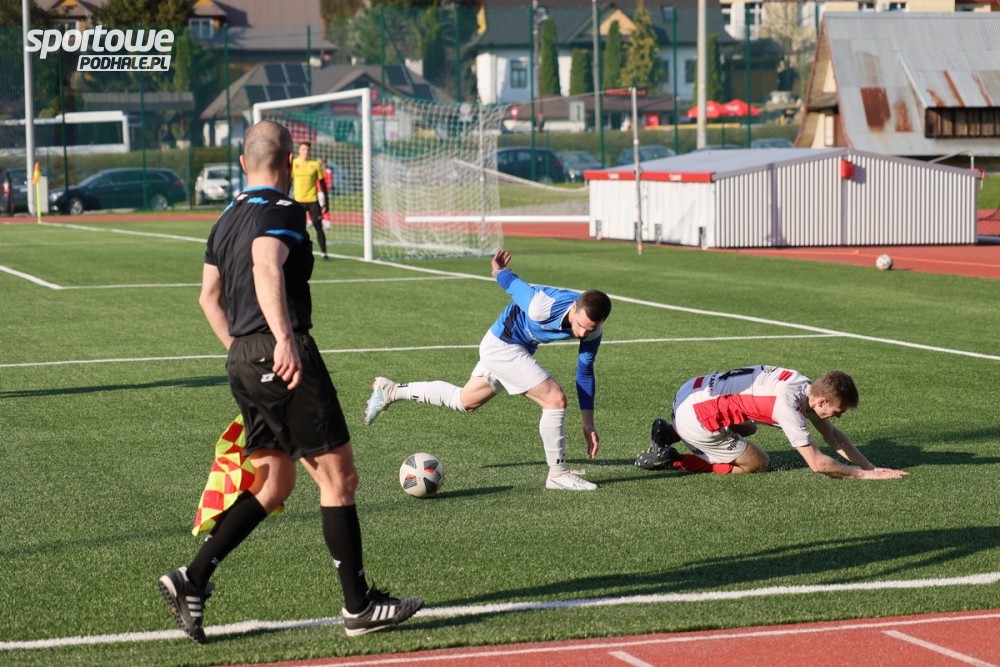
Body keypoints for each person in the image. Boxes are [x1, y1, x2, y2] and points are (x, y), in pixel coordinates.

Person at [158, 120, 422, 644]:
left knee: (274, 483)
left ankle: (192, 577)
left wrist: (243, 350)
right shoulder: (284, 209)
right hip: (281, 352)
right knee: (339, 479)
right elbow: (266, 264)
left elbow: (208, 297)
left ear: (243, 164)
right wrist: (279, 339)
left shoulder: (225, 217)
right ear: (287, 164)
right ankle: (359, 607)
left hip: (242, 356)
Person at [363, 250, 612, 491]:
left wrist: (588, 423)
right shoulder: (541, 306)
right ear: (574, 307)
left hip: (517, 347)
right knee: (555, 399)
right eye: (580, 325)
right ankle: (558, 474)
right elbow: (512, 284)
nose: (582, 333)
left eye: (590, 329)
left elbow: (584, 371)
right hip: (502, 345)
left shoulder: (593, 331)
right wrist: (499, 270)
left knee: (465, 401)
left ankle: (391, 390)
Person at [635, 365, 909, 479]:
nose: (837, 417)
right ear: (822, 401)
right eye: (837, 412)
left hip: (690, 391)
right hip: (696, 418)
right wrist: (863, 475)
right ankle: (673, 458)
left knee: (750, 426)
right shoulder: (788, 407)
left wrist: (870, 465)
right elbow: (817, 463)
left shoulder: (803, 385)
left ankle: (668, 433)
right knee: (758, 463)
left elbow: (833, 437)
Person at [292, 141, 329, 260]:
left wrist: (326, 202)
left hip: (312, 200)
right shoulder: (294, 163)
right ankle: (297, 253)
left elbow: (322, 184)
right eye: (303, 149)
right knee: (298, 228)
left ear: (310, 151)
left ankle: (324, 253)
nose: (306, 152)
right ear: (299, 151)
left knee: (318, 226)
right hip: (298, 200)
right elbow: (288, 181)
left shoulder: (315, 164)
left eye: (308, 150)